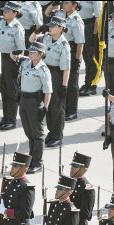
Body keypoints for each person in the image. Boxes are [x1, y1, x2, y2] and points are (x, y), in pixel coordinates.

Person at [35, 16, 70, 148]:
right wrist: (38, 31)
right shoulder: (46, 38)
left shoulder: (64, 45)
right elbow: (31, 40)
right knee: (47, 105)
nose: (49, 28)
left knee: (57, 107)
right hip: (45, 72)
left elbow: (66, 68)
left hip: (56, 75)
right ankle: (51, 132)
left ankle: (57, 135)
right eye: (49, 26)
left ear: (61, 28)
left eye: (52, 26)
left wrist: (64, 86)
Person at [17, 42, 52, 175]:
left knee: (37, 134)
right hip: (24, 100)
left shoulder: (43, 70)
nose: (30, 54)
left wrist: (45, 107)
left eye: (33, 52)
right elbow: (16, 57)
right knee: (29, 132)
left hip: (35, 102)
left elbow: (48, 91)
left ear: (40, 54)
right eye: (29, 52)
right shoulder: (26, 63)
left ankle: (37, 161)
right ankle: (31, 157)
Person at [0, 2, 25, 131]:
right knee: (3, 90)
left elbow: (21, 49)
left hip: (11, 61)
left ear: (15, 13)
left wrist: (16, 61)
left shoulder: (17, 28)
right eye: (4, 11)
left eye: (7, 11)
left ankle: (11, 120)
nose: (4, 13)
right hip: (0, 59)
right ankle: (5, 118)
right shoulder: (1, 23)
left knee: (11, 91)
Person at [53, 1, 84, 121]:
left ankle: (72, 111)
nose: (63, 4)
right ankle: (62, 108)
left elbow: (80, 43)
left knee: (71, 83)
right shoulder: (61, 15)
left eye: (66, 3)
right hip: (60, 50)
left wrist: (76, 60)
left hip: (71, 51)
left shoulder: (77, 21)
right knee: (61, 81)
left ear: (74, 5)